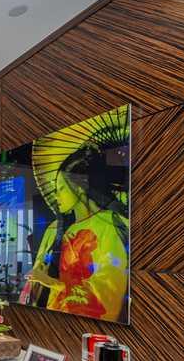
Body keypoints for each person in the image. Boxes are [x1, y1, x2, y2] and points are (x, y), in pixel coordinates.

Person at [21, 117, 129, 322]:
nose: (57, 196)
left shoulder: (109, 225)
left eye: (61, 188)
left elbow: (108, 290)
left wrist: (54, 283)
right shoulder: (56, 229)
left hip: (82, 321)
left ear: (78, 187)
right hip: (52, 313)